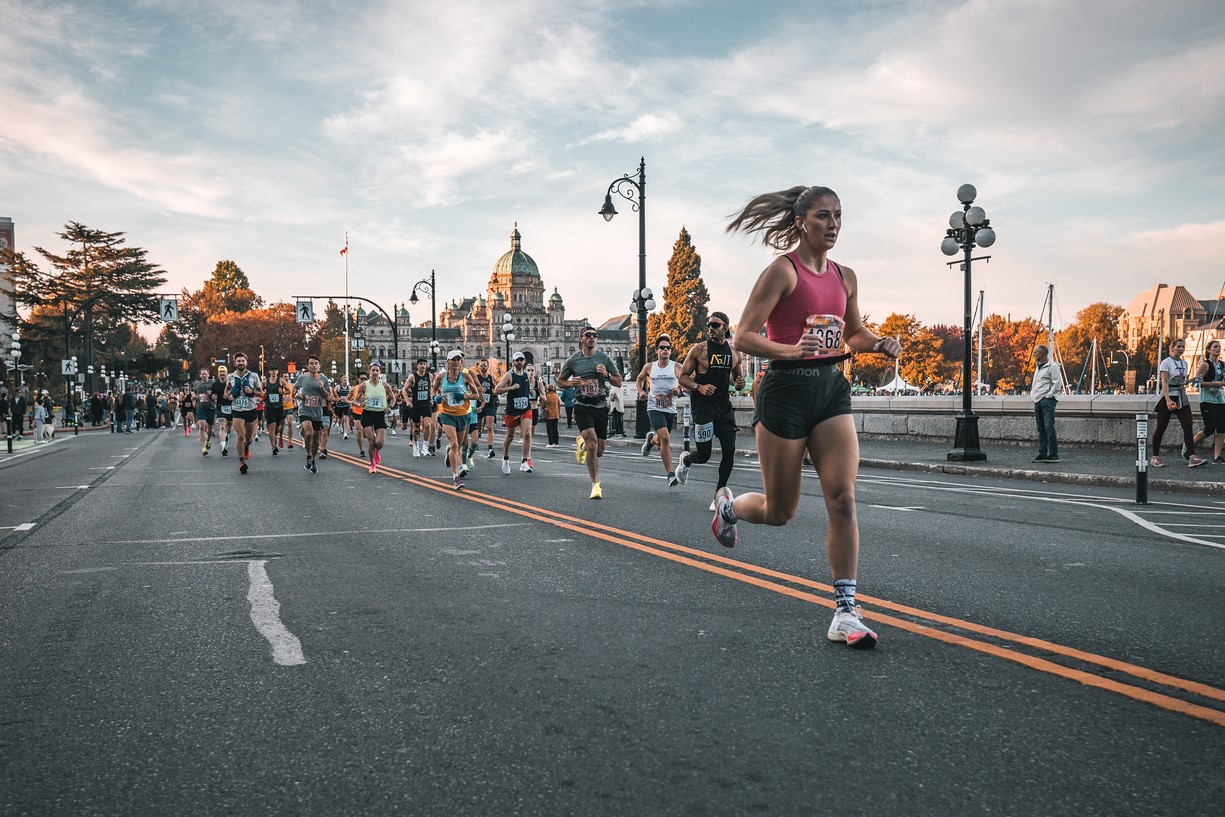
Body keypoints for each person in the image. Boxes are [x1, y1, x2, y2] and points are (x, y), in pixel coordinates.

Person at [717, 184, 902, 650]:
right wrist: (790, 348)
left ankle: (845, 611)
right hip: (784, 390)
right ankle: (728, 507)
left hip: (830, 390)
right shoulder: (782, 271)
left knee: (842, 498)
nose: (833, 225)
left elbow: (854, 332)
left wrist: (879, 342)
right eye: (823, 216)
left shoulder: (845, 275)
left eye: (838, 216)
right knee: (781, 512)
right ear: (802, 222)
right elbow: (742, 336)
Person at [676, 313, 745, 508]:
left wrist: (739, 383)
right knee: (704, 455)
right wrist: (699, 387)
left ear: (726, 328)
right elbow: (683, 377)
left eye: (715, 325)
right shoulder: (699, 350)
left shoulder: (734, 353)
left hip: (724, 408)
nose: (711, 328)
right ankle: (687, 460)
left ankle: (719, 496)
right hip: (703, 408)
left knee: (729, 451)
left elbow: (737, 382)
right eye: (709, 325)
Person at [556, 326, 623, 499]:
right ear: (581, 339)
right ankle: (595, 485)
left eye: (595, 335)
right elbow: (560, 382)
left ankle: (582, 445)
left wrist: (607, 375)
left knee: (599, 450)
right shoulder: (573, 361)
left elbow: (619, 382)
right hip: (582, 405)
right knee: (593, 444)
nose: (592, 338)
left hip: (600, 406)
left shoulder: (604, 358)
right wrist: (572, 383)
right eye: (588, 335)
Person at [1150, 337, 1206, 468]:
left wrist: (1192, 380)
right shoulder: (1166, 363)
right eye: (1178, 346)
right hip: (1168, 397)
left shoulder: (1184, 364)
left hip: (1181, 397)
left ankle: (1192, 456)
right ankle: (1155, 456)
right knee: (1161, 427)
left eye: (1182, 347)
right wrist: (1168, 399)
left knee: (1188, 426)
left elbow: (1181, 383)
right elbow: (1164, 382)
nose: (1181, 349)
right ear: (1172, 348)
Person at [636, 335, 683, 486]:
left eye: (668, 348)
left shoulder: (677, 367)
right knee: (666, 438)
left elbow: (687, 382)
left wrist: (679, 390)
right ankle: (670, 474)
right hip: (654, 407)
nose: (665, 350)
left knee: (661, 439)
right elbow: (640, 379)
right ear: (656, 350)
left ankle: (650, 441)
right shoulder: (650, 367)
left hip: (670, 408)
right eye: (662, 347)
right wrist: (641, 391)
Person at [433, 350, 480, 489]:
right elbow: (434, 390)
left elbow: (476, 395)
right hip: (447, 415)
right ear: (448, 361)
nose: (456, 362)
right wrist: (435, 398)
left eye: (458, 360)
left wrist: (464, 397)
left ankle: (450, 453)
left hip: (463, 414)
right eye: (453, 359)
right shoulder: (441, 377)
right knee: (454, 444)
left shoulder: (465, 376)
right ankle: (456, 477)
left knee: (460, 445)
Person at [493, 351, 536, 474]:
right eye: (517, 360)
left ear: (524, 361)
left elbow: (528, 389)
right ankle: (505, 458)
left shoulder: (527, 375)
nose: (519, 362)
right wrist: (511, 388)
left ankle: (524, 462)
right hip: (512, 410)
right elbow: (496, 391)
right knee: (510, 436)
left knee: (527, 434)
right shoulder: (509, 375)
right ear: (513, 362)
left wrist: (532, 392)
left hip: (525, 408)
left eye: (521, 360)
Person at [352, 362, 395, 473]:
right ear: (369, 371)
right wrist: (359, 404)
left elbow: (393, 398)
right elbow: (355, 400)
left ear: (380, 372)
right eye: (373, 370)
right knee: (371, 441)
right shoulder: (364, 385)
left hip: (380, 414)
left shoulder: (385, 385)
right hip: (367, 414)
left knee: (379, 442)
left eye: (377, 370)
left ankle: (376, 451)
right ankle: (372, 465)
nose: (375, 372)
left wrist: (390, 406)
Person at [225, 353, 262, 475]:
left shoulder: (254, 376)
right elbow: (227, 389)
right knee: (240, 435)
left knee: (249, 439)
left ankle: (246, 447)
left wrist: (251, 391)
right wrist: (227, 395)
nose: (241, 363)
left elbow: (261, 393)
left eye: (243, 361)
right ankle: (242, 462)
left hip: (250, 409)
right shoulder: (230, 376)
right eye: (238, 361)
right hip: (237, 409)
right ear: (235, 363)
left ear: (246, 362)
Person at [293, 356, 331, 474]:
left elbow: (327, 396)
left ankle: (313, 460)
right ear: (308, 366)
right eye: (311, 364)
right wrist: (297, 394)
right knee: (308, 433)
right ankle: (308, 456)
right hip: (305, 410)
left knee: (315, 438)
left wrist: (321, 388)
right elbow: (294, 389)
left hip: (317, 412)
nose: (314, 366)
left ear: (319, 366)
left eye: (316, 363)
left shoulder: (323, 379)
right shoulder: (303, 378)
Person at [1190, 340, 1225, 464]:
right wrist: (1215, 384)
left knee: (1222, 428)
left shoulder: (1222, 365)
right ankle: (1189, 445)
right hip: (1207, 400)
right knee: (1210, 428)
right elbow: (1196, 383)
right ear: (1209, 350)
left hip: (1220, 400)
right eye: (1215, 347)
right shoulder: (1205, 365)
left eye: (1219, 347)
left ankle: (1217, 456)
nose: (1218, 349)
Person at [1030, 344, 1062, 464]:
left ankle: (1053, 455)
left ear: (1042, 353)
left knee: (1049, 427)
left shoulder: (1052, 366)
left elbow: (1057, 382)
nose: (1034, 354)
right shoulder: (1038, 367)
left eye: (1036, 352)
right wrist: (1033, 395)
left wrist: (1049, 395)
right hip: (1037, 400)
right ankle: (1042, 453)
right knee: (1041, 429)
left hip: (1047, 400)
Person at [405, 360, 434, 457]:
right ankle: (416, 445)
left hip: (426, 404)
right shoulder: (412, 376)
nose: (423, 366)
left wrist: (431, 397)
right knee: (416, 427)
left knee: (428, 425)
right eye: (421, 364)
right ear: (417, 366)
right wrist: (408, 402)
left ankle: (425, 446)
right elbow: (404, 390)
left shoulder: (429, 376)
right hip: (416, 405)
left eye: (424, 364)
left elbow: (431, 387)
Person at [475, 359, 499, 458]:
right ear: (478, 367)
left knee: (489, 427)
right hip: (479, 405)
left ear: (488, 367)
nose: (483, 367)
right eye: (482, 365)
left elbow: (494, 389)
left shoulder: (491, 378)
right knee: (479, 428)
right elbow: (472, 389)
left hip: (490, 405)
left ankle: (490, 448)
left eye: (485, 365)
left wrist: (494, 391)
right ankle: (475, 442)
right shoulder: (476, 378)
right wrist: (479, 390)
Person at [194, 367, 217, 455]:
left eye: (205, 374)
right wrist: (194, 397)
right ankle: (203, 448)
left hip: (211, 408)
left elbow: (216, 395)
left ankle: (208, 439)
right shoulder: (197, 384)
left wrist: (213, 395)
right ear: (200, 375)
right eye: (202, 374)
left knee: (210, 428)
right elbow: (195, 393)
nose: (204, 375)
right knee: (202, 425)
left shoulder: (213, 383)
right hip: (201, 408)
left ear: (208, 375)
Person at [263, 366, 285, 455]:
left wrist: (282, 391)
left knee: (277, 427)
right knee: (272, 426)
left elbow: (288, 391)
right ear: (269, 372)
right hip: (269, 407)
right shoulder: (265, 382)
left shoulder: (281, 381)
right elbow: (259, 391)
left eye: (275, 370)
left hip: (279, 407)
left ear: (277, 371)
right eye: (272, 370)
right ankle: (273, 447)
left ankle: (275, 436)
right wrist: (262, 395)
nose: (273, 372)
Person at [213, 365, 232, 453]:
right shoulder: (215, 384)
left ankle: (226, 436)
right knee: (222, 426)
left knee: (229, 427)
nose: (222, 374)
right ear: (218, 374)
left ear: (227, 373)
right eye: (220, 372)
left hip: (231, 407)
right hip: (220, 407)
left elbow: (236, 393)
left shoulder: (231, 383)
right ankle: (223, 446)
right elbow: (212, 395)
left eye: (223, 372)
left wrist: (231, 396)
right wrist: (213, 396)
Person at [333, 374, 353, 440]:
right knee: (340, 418)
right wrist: (338, 398)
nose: (345, 381)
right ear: (341, 381)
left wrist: (349, 399)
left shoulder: (349, 388)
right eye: (344, 380)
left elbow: (352, 395)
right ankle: (339, 426)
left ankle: (345, 433)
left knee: (345, 418)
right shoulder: (338, 387)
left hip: (346, 405)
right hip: (339, 405)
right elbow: (333, 393)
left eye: (346, 380)